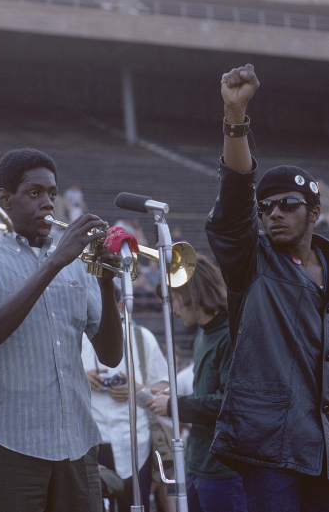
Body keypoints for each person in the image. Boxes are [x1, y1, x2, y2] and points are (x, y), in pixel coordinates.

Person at [0, 148, 123, 512]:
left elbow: (110, 355)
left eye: (51, 193)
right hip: (11, 446)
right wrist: (57, 261)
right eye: (34, 193)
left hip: (78, 445)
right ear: (4, 199)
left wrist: (106, 283)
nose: (47, 203)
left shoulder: (79, 266)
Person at [205, 64, 329, 512]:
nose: (274, 214)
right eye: (267, 208)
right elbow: (237, 196)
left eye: (289, 205)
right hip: (271, 445)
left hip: (324, 448)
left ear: (314, 213)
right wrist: (235, 116)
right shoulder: (250, 260)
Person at [149, 255, 247, 512]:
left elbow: (228, 404)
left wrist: (174, 405)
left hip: (223, 471)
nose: (172, 309)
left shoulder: (230, 334)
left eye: (173, 299)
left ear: (191, 290)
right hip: (197, 464)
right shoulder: (202, 336)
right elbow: (206, 393)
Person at [82, 287, 168, 511]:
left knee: (135, 506)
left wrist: (136, 389)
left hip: (135, 441)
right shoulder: (78, 341)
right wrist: (83, 378)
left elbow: (165, 387)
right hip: (93, 443)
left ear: (120, 307)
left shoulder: (141, 338)